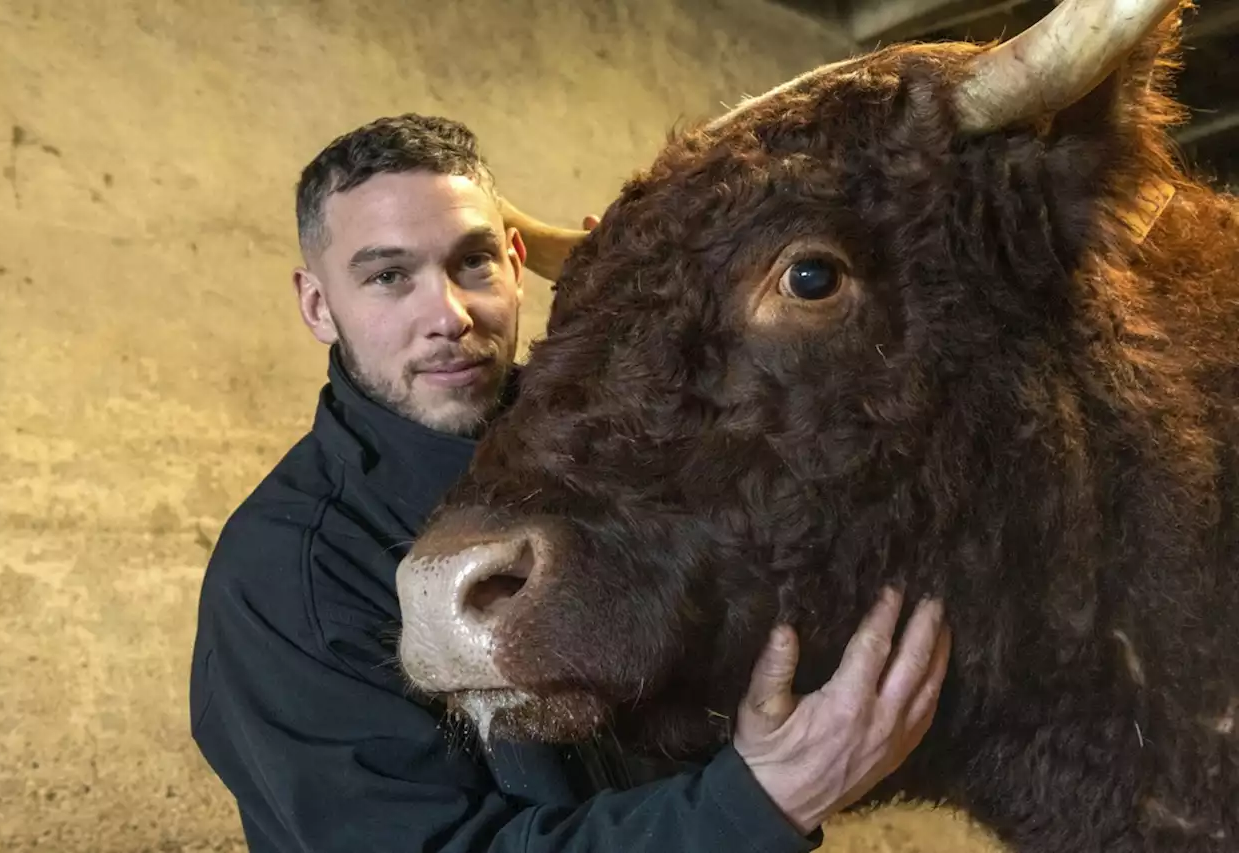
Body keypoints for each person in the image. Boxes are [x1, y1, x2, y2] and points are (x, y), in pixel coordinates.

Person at [188, 113, 951, 853]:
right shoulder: (284, 579)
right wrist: (755, 802)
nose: (448, 313)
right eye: (390, 276)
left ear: (518, 266)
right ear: (319, 306)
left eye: (472, 262)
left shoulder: (628, 456)